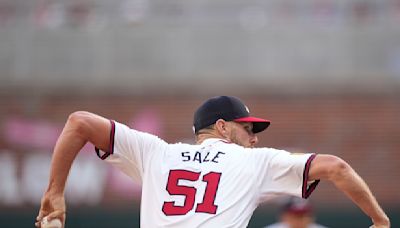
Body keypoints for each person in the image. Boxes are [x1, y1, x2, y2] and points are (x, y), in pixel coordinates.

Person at [35, 95, 390, 228]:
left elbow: (79, 122)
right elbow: (337, 168)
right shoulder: (256, 162)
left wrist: (54, 193)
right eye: (247, 128)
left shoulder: (156, 152)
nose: (254, 138)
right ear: (221, 127)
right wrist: (379, 219)